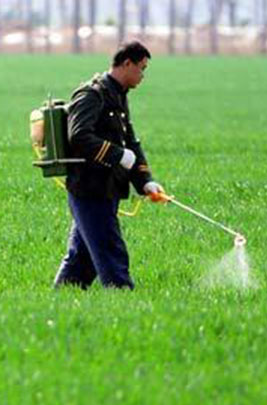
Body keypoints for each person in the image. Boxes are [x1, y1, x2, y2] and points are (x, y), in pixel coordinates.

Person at [54, 41, 165, 291]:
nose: (143, 76)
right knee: (111, 253)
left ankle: (60, 302)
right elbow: (79, 136)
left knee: (81, 261)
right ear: (127, 63)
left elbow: (131, 143)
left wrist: (145, 181)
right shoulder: (92, 95)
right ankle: (124, 300)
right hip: (90, 189)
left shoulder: (117, 96)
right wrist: (117, 155)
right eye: (141, 68)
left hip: (108, 189)